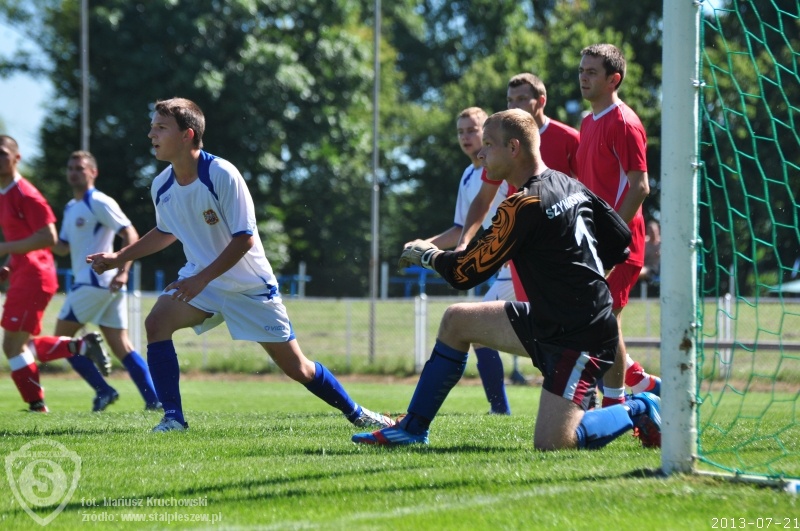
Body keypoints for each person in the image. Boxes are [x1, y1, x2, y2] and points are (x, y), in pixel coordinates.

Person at [352, 109, 661, 450]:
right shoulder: (569, 184)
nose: (481, 154)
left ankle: (641, 406)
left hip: (579, 335)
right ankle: (411, 428)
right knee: (457, 320)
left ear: (513, 148)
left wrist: (428, 255)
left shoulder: (523, 204)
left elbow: (465, 272)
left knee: (553, 443)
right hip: (552, 319)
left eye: (488, 144)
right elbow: (619, 239)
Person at [87, 97, 394, 432]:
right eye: (152, 127)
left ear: (187, 135)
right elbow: (165, 232)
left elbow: (244, 238)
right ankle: (173, 418)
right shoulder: (162, 185)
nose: (151, 135)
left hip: (248, 285)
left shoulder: (221, 173)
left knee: (298, 368)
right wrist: (119, 257)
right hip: (203, 281)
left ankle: (357, 413)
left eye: (160, 127)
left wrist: (201, 279)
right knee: (157, 323)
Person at [457, 73, 659, 399]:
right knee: (561, 327)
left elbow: (588, 189)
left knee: (591, 323)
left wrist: (604, 235)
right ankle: (631, 387)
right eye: (510, 100)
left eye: (521, 99)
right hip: (529, 254)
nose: (514, 105)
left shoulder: (568, 137)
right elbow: (484, 199)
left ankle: (614, 398)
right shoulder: (505, 145)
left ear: (541, 101)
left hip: (569, 251)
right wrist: (467, 242)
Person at [411, 106, 513, 415]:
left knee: (479, 326)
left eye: (472, 130)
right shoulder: (469, 175)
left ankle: (501, 409)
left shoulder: (502, 167)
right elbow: (460, 228)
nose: (466, 137)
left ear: (487, 132)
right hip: (507, 267)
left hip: (519, 262)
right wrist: (424, 245)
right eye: (460, 132)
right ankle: (500, 410)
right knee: (481, 331)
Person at [42, 150, 161, 412]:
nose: (74, 172)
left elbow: (130, 233)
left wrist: (123, 270)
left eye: (80, 168)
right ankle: (154, 400)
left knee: (60, 340)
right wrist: (38, 235)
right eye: (71, 168)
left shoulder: (99, 201)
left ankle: (104, 390)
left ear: (93, 172)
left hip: (94, 282)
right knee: (122, 346)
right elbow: (62, 247)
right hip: (104, 286)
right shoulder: (71, 207)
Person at [576, 43, 660, 405]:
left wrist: (609, 238)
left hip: (621, 243)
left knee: (604, 321)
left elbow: (640, 186)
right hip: (594, 241)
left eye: (592, 72)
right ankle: (642, 387)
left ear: (614, 79)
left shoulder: (624, 123)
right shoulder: (587, 121)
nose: (583, 77)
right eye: (582, 70)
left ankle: (615, 403)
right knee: (601, 321)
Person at [0, 135, 107, 412]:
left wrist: (5, 249)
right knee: (20, 345)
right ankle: (78, 347)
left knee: (12, 345)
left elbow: (48, 237)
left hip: (34, 275)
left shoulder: (25, 193)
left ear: (16, 158)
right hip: (23, 273)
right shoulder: (5, 193)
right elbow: (23, 238)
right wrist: (9, 262)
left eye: (2, 153)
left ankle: (38, 402)